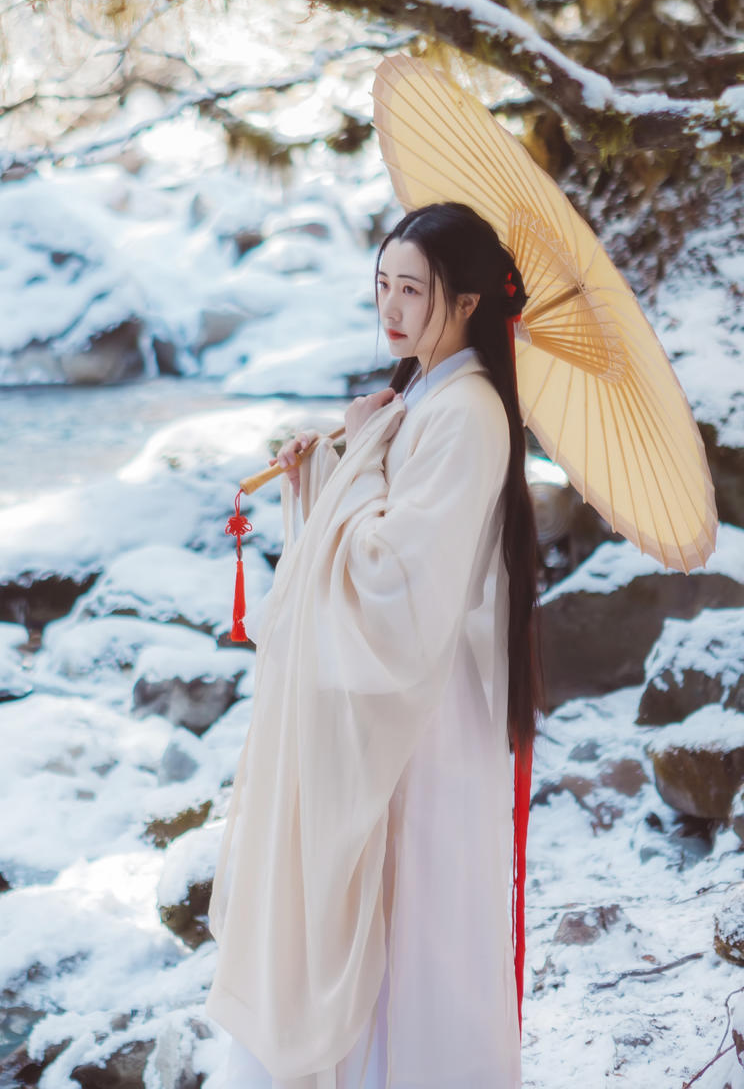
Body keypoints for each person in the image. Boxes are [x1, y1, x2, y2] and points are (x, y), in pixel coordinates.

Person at [205, 200, 544, 1089]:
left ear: (467, 302)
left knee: (408, 930)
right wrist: (331, 469)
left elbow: (396, 581)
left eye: (412, 290)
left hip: (419, 714)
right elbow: (381, 532)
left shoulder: (466, 412)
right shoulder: (423, 397)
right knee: (371, 917)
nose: (391, 310)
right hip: (397, 698)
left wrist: (360, 459)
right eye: (382, 287)